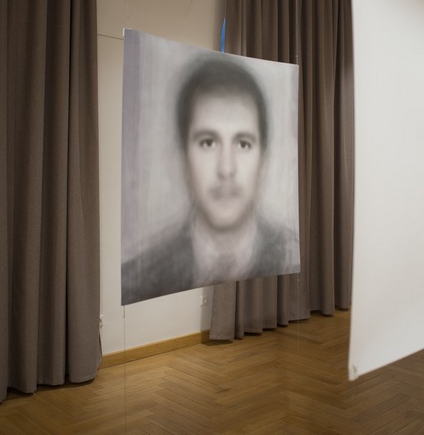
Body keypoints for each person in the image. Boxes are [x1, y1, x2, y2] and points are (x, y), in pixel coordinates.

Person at [121, 56, 299, 305]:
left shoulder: (292, 256)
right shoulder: (136, 281)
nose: (226, 168)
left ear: (264, 161)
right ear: (182, 158)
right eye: (208, 142)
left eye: (243, 144)